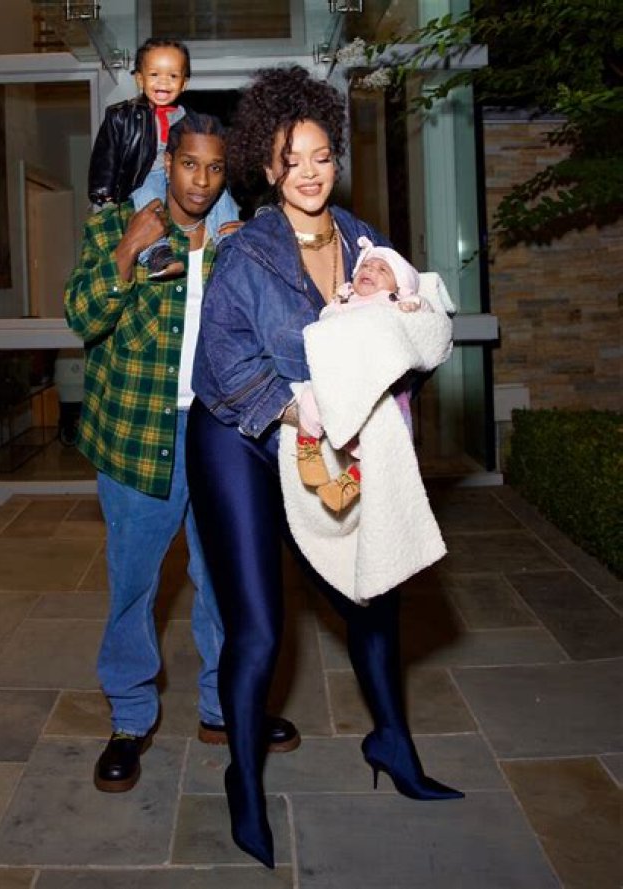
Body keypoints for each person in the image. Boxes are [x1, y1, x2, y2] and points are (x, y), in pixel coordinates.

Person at [187, 67, 463, 869]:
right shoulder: (245, 251)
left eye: (321, 156)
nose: (309, 172)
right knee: (259, 627)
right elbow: (220, 365)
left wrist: (404, 351)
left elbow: (397, 344)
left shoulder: (364, 240)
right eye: (291, 159)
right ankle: (244, 779)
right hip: (239, 434)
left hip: (329, 435)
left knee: (375, 592)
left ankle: (392, 742)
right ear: (266, 166)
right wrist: (292, 410)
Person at [65, 111, 300, 796]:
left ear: (227, 173)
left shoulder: (237, 242)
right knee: (134, 585)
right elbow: (82, 316)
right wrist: (126, 252)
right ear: (168, 162)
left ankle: (227, 706)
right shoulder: (117, 226)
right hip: (137, 435)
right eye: (190, 164)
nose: (201, 180)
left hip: (219, 436)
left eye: (215, 167)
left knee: (223, 579)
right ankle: (130, 718)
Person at [296, 238, 432, 512]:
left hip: (378, 385)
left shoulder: (395, 302)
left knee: (386, 440)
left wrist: (413, 306)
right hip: (341, 376)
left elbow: (426, 323)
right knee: (311, 399)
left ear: (399, 287)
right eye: (366, 266)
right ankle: (307, 446)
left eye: (383, 270)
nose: (371, 270)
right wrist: (335, 306)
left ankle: (349, 483)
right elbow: (324, 323)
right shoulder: (346, 299)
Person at [87, 38, 238, 279]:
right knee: (150, 204)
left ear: (184, 83)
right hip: (146, 172)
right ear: (140, 79)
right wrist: (102, 188)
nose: (163, 82)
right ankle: (157, 253)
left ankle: (229, 244)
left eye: (173, 76)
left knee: (222, 198)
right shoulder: (123, 115)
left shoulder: (189, 118)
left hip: (178, 173)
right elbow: (106, 153)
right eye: (155, 74)